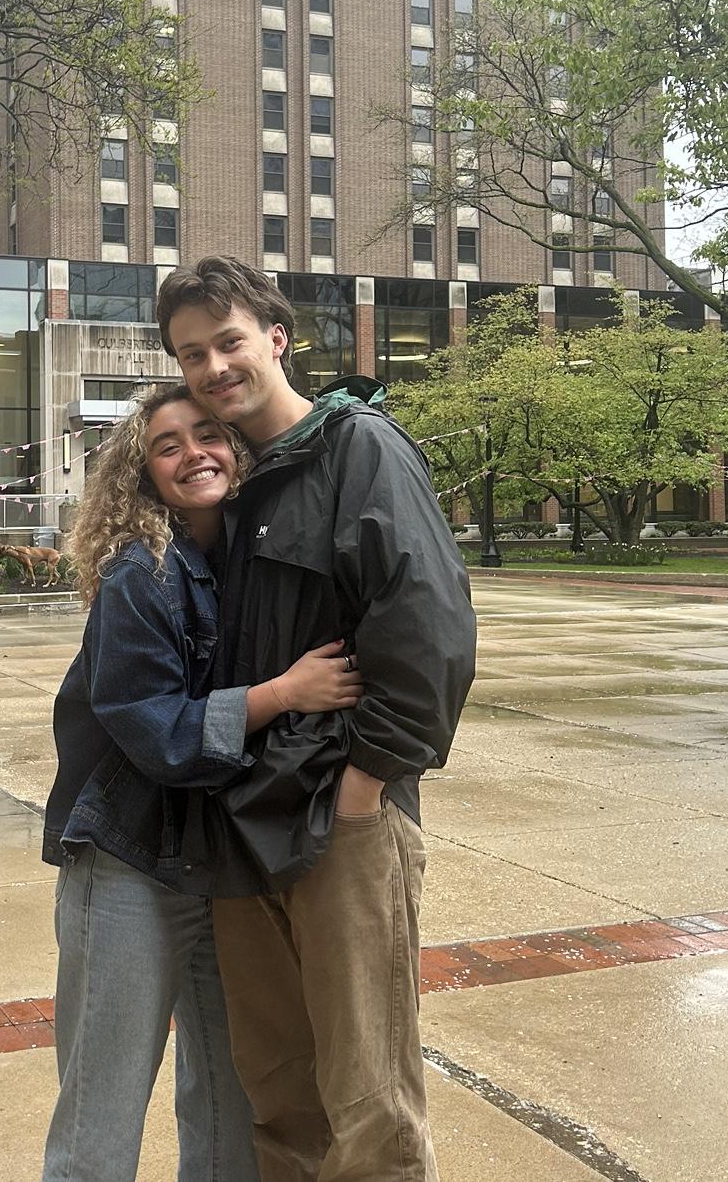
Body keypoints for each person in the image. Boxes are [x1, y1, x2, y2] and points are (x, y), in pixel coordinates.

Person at [157, 256, 478, 1182]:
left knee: (367, 1094)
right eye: (192, 354)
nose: (214, 366)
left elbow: (430, 631)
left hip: (340, 818)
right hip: (245, 822)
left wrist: (365, 789)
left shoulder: (360, 449)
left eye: (229, 342)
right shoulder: (238, 482)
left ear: (276, 338)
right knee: (278, 1086)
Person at [41, 383, 363, 1182]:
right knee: (102, 1108)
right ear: (143, 474)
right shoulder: (138, 575)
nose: (194, 454)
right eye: (168, 445)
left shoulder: (246, 564)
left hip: (218, 862)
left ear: (238, 448)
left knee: (229, 1095)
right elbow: (154, 729)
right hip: (126, 861)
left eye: (209, 434)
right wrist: (283, 693)